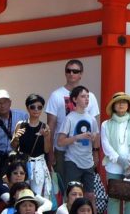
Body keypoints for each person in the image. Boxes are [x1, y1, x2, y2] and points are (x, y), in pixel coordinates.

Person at [46, 60, 98, 188]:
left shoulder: (89, 96)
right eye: (68, 70)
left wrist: (96, 152)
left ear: (81, 74)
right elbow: (50, 126)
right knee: (65, 188)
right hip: (62, 150)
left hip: (85, 151)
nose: (71, 73)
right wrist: (50, 152)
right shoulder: (56, 95)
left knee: (87, 191)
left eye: (75, 71)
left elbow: (95, 128)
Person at [56, 86, 100, 198]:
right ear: (75, 99)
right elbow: (60, 142)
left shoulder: (92, 119)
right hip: (72, 161)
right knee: (73, 194)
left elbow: (96, 137)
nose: (86, 99)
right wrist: (77, 137)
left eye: (88, 96)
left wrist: (95, 150)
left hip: (88, 161)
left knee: (90, 195)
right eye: (83, 96)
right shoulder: (69, 118)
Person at [11, 93, 54, 204]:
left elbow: (46, 150)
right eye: (33, 107)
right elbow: (13, 146)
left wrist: (45, 137)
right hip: (23, 164)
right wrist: (16, 138)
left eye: (39, 107)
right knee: (20, 191)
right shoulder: (21, 125)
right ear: (27, 108)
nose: (36, 110)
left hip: (38, 164)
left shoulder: (45, 127)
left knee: (36, 195)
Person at [0, 88, 28, 181]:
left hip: (17, 158)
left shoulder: (22, 115)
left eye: (5, 102)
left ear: (10, 102)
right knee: (1, 188)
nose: (2, 105)